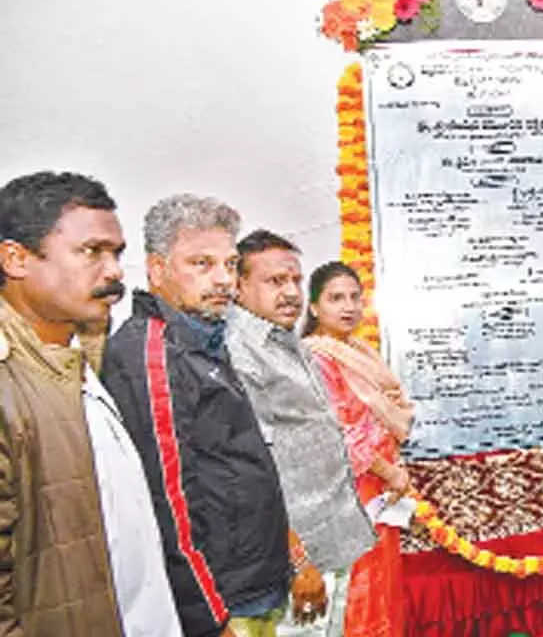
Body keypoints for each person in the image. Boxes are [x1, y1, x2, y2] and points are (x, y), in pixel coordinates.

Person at [0, 172, 183, 636]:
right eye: (91, 252)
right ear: (16, 259)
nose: (115, 271)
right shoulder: (9, 383)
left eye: (117, 254)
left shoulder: (76, 361)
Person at [102, 194, 292, 637]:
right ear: (156, 269)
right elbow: (166, 502)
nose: (223, 279)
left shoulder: (204, 337)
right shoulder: (150, 353)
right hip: (219, 600)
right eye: (202, 264)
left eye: (228, 264)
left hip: (251, 580)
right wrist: (209, 617)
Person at [225, 230, 378, 630]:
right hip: (296, 560)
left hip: (330, 541)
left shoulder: (286, 341)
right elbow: (252, 472)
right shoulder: (240, 353)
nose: (291, 292)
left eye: (295, 280)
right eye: (275, 281)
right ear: (238, 287)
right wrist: (298, 562)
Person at [303, 262, 413, 637]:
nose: (348, 306)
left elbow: (393, 412)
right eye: (336, 298)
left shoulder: (358, 352)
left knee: (382, 588)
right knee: (357, 594)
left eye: (354, 297)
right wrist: (390, 472)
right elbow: (339, 434)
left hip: (380, 491)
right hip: (349, 492)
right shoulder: (315, 357)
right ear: (314, 307)